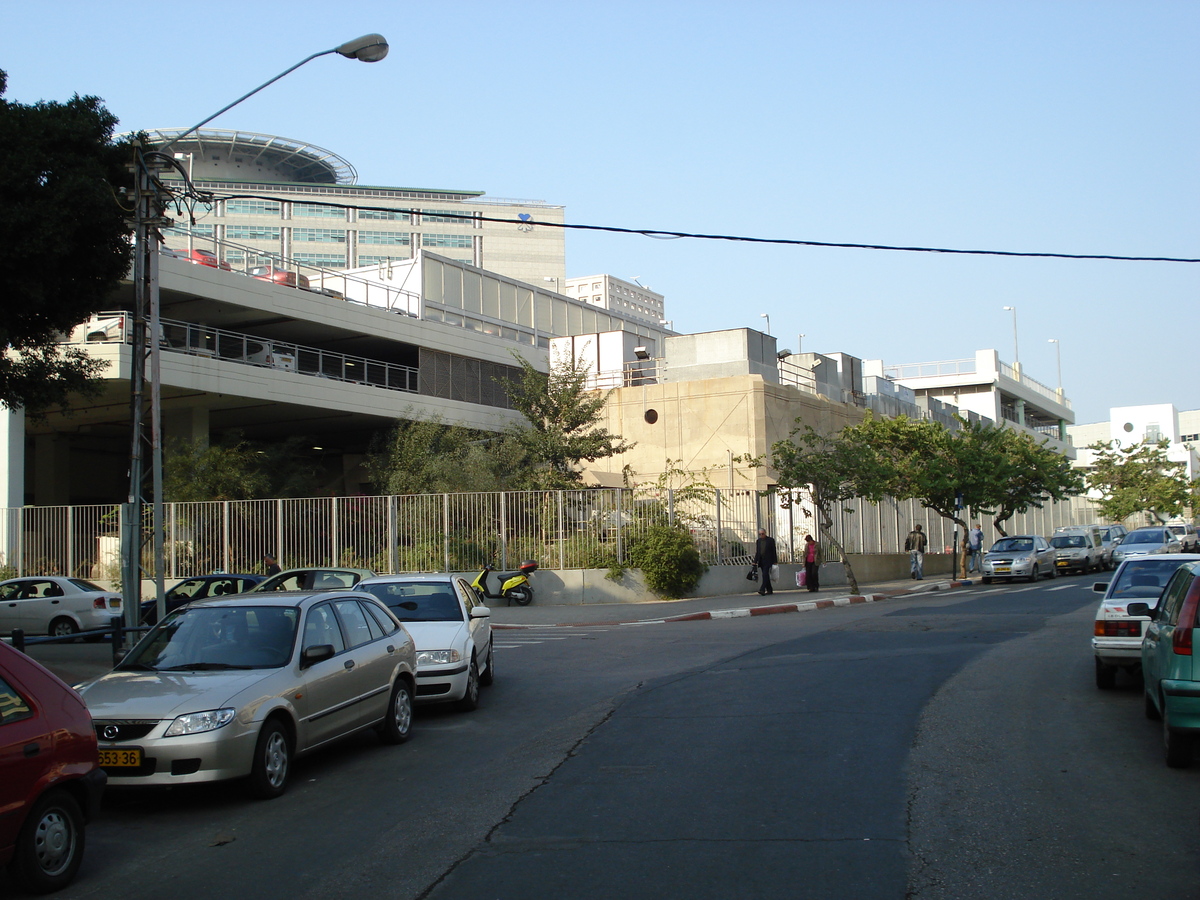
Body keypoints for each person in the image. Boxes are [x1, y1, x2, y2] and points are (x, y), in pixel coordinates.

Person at [754, 529, 778, 596]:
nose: (761, 535)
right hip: (761, 560)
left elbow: (773, 551)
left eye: (763, 534)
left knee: (765, 574)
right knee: (765, 575)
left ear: (765, 533)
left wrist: (775, 561)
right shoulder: (758, 541)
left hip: (768, 560)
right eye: (760, 534)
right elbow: (757, 552)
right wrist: (755, 561)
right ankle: (769, 589)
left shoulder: (770, 540)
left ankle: (762, 589)